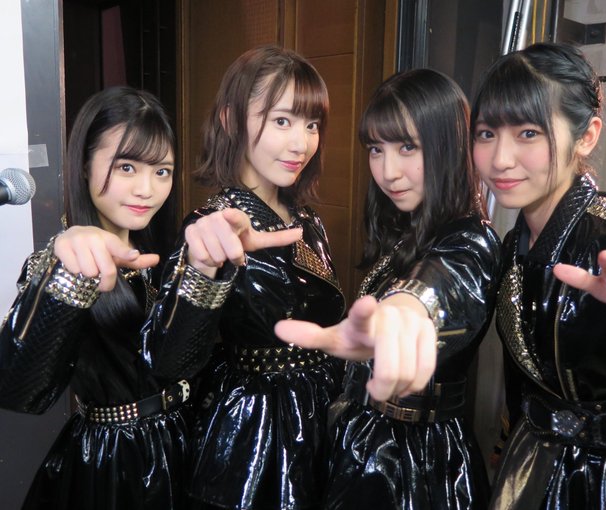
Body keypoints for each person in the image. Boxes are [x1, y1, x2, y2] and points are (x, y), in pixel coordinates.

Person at [276, 68, 502, 509]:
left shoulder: (470, 238)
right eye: (377, 150)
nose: (387, 171)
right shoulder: (410, 230)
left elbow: (442, 285)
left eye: (407, 147)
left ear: (448, 144)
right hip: (368, 441)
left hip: (417, 464)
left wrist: (406, 311)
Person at [470, 41, 606, 509]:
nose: (500, 159)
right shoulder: (511, 246)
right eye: (486, 133)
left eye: (528, 133)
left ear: (586, 136)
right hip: (532, 467)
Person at [142, 45, 345, 509]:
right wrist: (204, 269)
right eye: (282, 121)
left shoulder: (306, 218)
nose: (301, 143)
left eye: (311, 125)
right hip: (253, 434)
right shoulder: (211, 226)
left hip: (317, 418)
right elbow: (168, 361)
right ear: (231, 120)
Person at [0, 86, 190, 509]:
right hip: (116, 461)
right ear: (85, 165)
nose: (147, 189)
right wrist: (67, 274)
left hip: (183, 442)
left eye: (162, 171)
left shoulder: (164, 253)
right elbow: (21, 390)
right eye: (127, 167)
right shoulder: (59, 262)